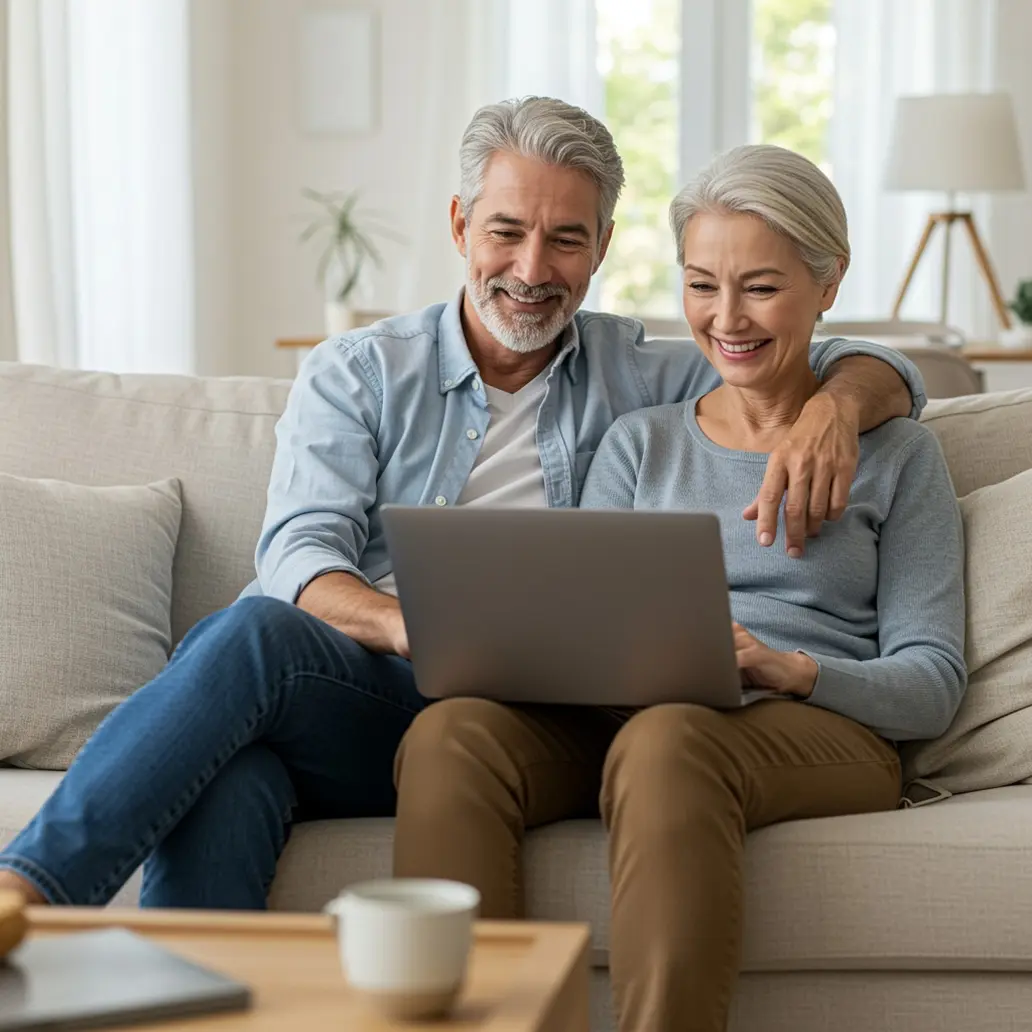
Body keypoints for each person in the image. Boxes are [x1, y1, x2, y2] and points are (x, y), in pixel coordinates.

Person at [0, 100, 923, 911]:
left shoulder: (652, 374)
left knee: (237, 737)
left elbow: (834, 354)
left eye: (567, 238)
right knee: (247, 664)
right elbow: (297, 554)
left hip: (506, 718)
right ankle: (47, 907)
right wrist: (413, 627)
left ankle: (50, 911)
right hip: (359, 684)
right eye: (506, 230)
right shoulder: (360, 372)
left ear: (603, 246)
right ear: (459, 225)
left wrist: (836, 410)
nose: (532, 267)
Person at [391, 143, 966, 1032]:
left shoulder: (898, 455)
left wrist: (789, 667)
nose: (726, 318)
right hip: (635, 717)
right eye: (702, 285)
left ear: (829, 283)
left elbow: (931, 683)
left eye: (761, 287)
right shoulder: (639, 444)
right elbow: (584, 620)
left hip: (818, 726)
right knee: (452, 736)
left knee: (668, 742)